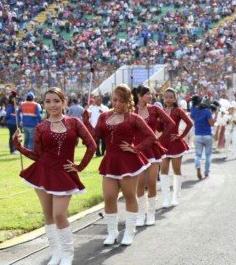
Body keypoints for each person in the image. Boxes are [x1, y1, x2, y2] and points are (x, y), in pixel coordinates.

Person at [13, 88, 96, 265]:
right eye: (48, 101)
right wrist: (18, 147)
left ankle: (67, 253)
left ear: (63, 102)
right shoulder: (40, 127)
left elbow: (92, 145)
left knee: (59, 214)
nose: (52, 105)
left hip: (64, 173)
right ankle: (56, 252)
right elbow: (37, 155)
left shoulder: (74, 122)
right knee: (48, 214)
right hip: (42, 172)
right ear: (44, 104)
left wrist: (80, 166)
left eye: (56, 101)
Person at [83, 84, 157, 246]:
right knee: (109, 197)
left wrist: (136, 148)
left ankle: (130, 231)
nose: (117, 104)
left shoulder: (133, 118)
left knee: (130, 196)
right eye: (115, 100)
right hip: (110, 161)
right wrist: (86, 120)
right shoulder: (104, 116)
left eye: (122, 101)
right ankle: (112, 232)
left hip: (128, 162)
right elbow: (94, 137)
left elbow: (151, 137)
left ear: (128, 101)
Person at [133, 85, 175, 226]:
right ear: (139, 95)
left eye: (151, 94)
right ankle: (140, 214)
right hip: (138, 150)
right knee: (140, 183)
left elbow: (170, 123)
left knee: (151, 182)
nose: (150, 96)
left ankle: (151, 213)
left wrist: (160, 139)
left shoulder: (155, 109)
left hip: (152, 149)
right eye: (147, 94)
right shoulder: (132, 110)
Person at [160, 88, 193, 206]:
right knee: (163, 170)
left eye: (171, 97)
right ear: (163, 98)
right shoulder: (161, 111)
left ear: (174, 99)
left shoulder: (178, 111)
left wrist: (181, 136)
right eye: (166, 97)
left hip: (175, 143)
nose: (168, 99)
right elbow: (159, 128)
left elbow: (190, 123)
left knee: (176, 170)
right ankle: (166, 198)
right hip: (163, 144)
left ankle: (175, 197)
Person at [190, 95, 214, 180]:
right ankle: (206, 172)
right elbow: (211, 123)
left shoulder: (194, 111)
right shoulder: (207, 111)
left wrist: (195, 104)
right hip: (207, 135)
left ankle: (198, 166)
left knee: (198, 155)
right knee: (208, 155)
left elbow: (192, 111)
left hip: (198, 136)